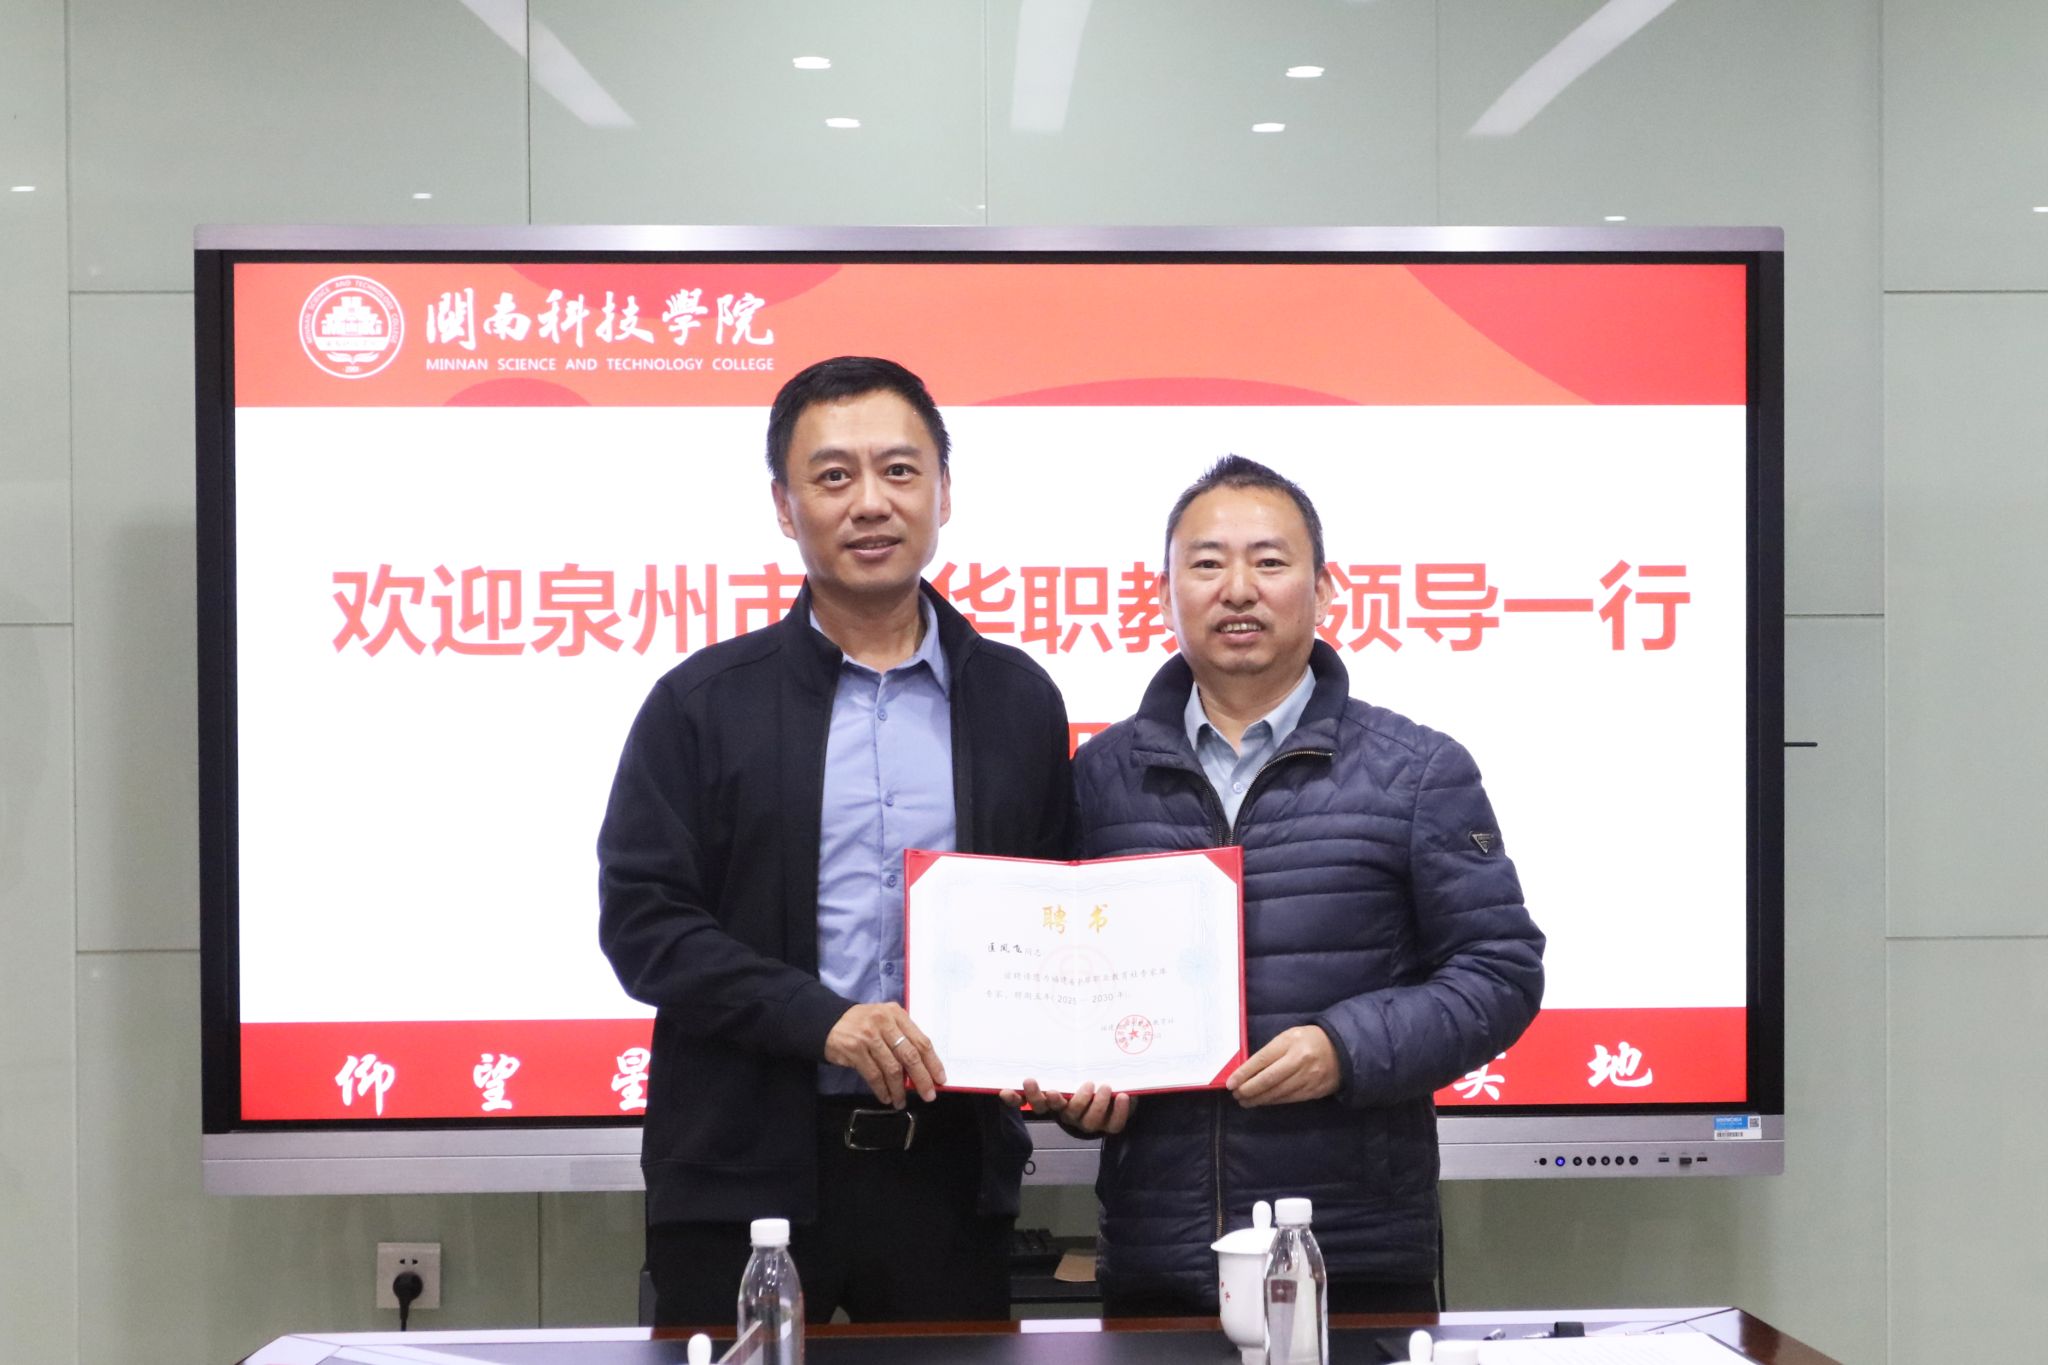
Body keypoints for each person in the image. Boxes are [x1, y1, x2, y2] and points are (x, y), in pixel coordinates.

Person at [598, 356, 1078, 1326]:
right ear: (784, 506)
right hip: (741, 1181)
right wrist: (823, 1019)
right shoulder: (701, 704)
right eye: (832, 476)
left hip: (948, 1180)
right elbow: (645, 925)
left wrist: (1074, 1056)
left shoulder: (1017, 701)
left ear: (944, 492)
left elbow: (1056, 916)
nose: (870, 502)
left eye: (899, 471)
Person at [1014, 455, 1545, 1315]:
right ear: (1164, 595)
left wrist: (1345, 1047)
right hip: (1160, 1258)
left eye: (1269, 561)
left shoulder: (1417, 771)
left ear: (1324, 590)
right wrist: (1078, 1094)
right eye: (1207, 563)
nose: (1238, 589)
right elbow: (1062, 989)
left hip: (1353, 1254)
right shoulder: (1098, 778)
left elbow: (1501, 972)